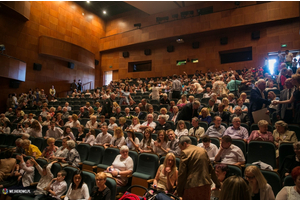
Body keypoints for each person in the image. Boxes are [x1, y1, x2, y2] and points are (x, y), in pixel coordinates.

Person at [177, 136, 221, 200]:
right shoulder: (202, 150)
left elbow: (182, 174)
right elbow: (211, 169)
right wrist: (217, 184)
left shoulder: (185, 152)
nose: (181, 149)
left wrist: (179, 192)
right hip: (206, 185)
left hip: (192, 186)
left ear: (185, 143)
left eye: (180, 147)